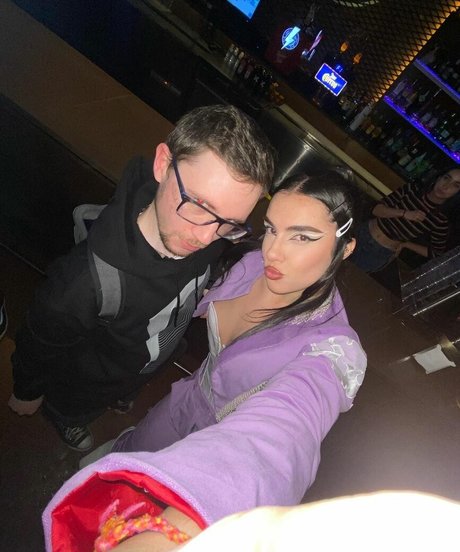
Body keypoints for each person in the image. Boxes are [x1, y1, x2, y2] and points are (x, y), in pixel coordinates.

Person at [42, 170, 367, 551]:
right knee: (128, 460)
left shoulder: (332, 348)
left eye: (302, 237)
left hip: (224, 444)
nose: (273, 251)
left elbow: (281, 439)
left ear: (345, 247)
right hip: (180, 405)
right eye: (271, 229)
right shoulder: (251, 265)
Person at [8, 104, 275, 451]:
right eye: (199, 205)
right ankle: (65, 418)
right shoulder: (83, 284)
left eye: (229, 223)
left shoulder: (204, 232)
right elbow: (40, 341)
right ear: (163, 164)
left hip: (146, 359)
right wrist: (26, 391)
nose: (206, 237)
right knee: (75, 404)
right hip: (90, 379)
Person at [350, 166, 460, 272]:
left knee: (348, 278)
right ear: (439, 177)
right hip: (362, 233)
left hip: (379, 252)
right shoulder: (412, 190)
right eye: (446, 178)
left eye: (455, 185)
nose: (446, 186)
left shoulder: (440, 220)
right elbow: (376, 209)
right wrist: (404, 213)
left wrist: (406, 244)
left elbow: (436, 253)